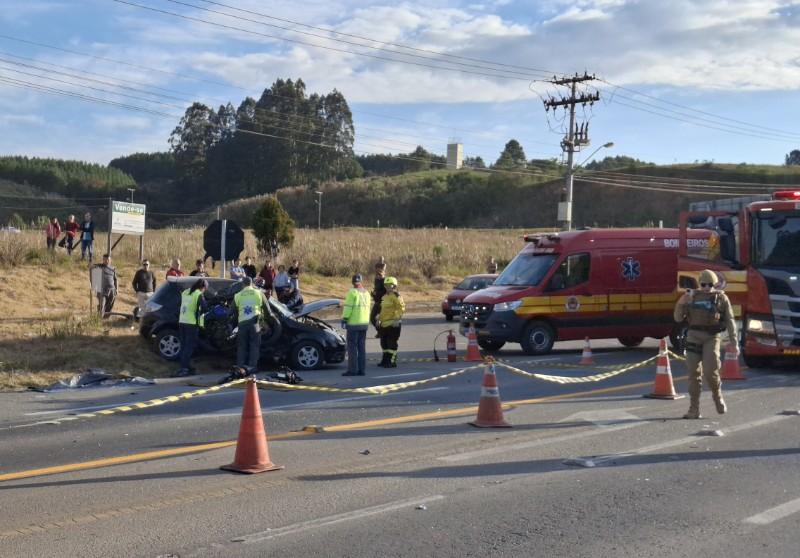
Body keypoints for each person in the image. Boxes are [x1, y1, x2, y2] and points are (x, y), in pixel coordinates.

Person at [673, 269, 738, 419]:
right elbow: (677, 318)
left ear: (715, 284)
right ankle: (694, 409)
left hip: (712, 337)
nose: (706, 287)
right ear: (699, 283)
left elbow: (730, 320)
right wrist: (681, 303)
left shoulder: (721, 298)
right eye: (703, 284)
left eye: (710, 284)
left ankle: (717, 396)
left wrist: (734, 342)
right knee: (693, 374)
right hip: (693, 336)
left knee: (711, 372)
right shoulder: (691, 297)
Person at [232, 277, 274, 374]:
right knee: (254, 345)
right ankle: (252, 367)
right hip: (255, 324)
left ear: (243, 284)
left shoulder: (238, 295)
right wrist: (270, 319)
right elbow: (268, 310)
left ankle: (239, 368)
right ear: (252, 284)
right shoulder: (259, 293)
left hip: (242, 325)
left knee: (242, 346)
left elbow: (231, 311)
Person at [175, 278, 208, 377]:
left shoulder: (185, 292)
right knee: (189, 346)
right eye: (205, 289)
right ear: (203, 287)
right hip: (191, 323)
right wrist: (200, 313)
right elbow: (205, 307)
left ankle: (184, 366)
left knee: (184, 345)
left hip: (182, 321)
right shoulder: (198, 294)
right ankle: (184, 368)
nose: (204, 291)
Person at [341, 274, 372, 376]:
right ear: (361, 281)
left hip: (354, 324)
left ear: (352, 282)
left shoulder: (352, 292)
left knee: (352, 348)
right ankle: (362, 370)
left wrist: (345, 319)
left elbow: (348, 308)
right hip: (364, 324)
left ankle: (352, 370)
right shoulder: (367, 293)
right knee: (361, 347)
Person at [377, 276, 405, 368]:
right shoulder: (385, 297)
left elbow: (401, 308)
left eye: (390, 285)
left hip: (393, 324)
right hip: (384, 324)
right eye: (386, 285)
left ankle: (392, 361)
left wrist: (396, 319)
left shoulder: (396, 296)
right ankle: (385, 360)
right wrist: (379, 319)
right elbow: (383, 310)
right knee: (384, 343)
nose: (388, 287)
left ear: (394, 286)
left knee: (391, 344)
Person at [93, 253, 118, 318]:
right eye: (105, 259)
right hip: (102, 290)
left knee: (110, 305)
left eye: (108, 260)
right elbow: (94, 275)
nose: (106, 261)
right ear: (103, 260)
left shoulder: (113, 268)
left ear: (110, 260)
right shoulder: (99, 266)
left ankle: (106, 318)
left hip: (112, 290)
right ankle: (99, 318)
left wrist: (116, 289)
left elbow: (115, 280)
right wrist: (96, 288)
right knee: (102, 304)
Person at [370, 260, 387, 337]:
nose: (378, 276)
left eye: (380, 275)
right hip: (377, 302)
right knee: (372, 318)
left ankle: (382, 332)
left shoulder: (385, 282)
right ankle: (380, 331)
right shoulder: (377, 280)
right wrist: (373, 294)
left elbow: (385, 293)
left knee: (381, 319)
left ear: (383, 274)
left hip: (383, 303)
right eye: (377, 275)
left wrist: (376, 294)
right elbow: (376, 291)